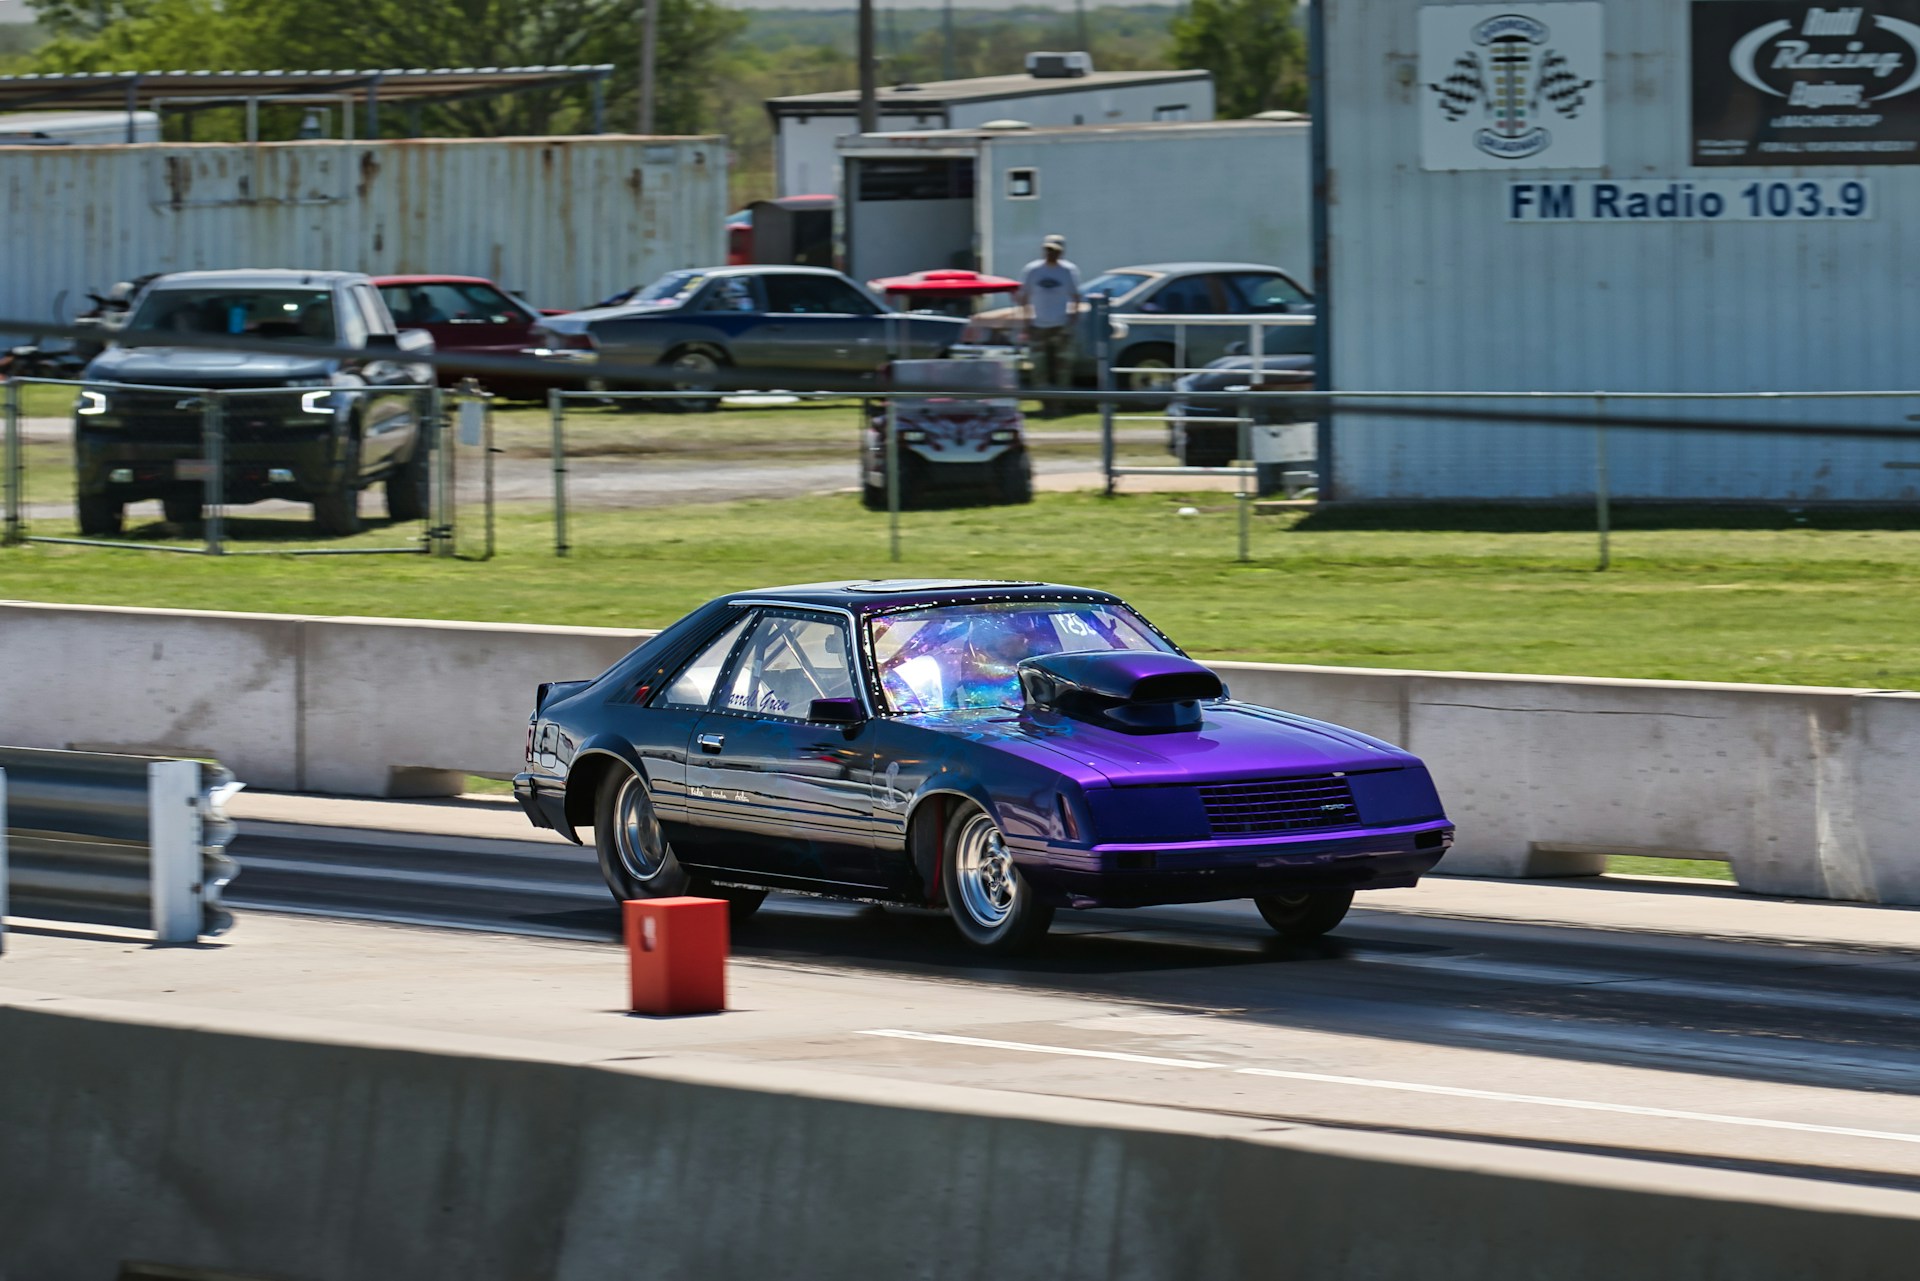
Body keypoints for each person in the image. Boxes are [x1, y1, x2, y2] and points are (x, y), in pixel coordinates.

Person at [1015, 233, 1081, 417]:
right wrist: (1027, 323)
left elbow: (1075, 297)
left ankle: (1059, 405)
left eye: (1055, 251)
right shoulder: (1033, 270)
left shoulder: (1068, 271)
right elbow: (1024, 297)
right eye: (1048, 251)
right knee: (1039, 368)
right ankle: (1045, 404)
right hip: (1038, 325)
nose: (1051, 254)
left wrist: (1071, 321)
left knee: (1062, 368)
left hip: (1060, 325)